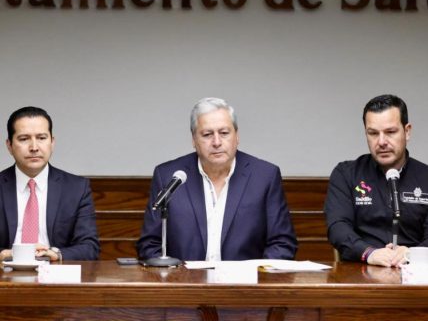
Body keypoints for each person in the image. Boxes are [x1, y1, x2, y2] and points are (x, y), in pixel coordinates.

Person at [137, 97, 297, 261]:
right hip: (184, 276)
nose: (216, 142)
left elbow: (282, 243)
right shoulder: (168, 176)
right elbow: (150, 244)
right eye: (207, 134)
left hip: (245, 277)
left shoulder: (264, 176)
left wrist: (257, 274)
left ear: (237, 136)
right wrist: (174, 274)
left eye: (224, 133)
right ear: (194, 140)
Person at [325, 94, 428, 267]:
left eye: (390, 132)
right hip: (360, 270)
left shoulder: (425, 176)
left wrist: (412, 254)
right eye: (373, 133)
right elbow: (338, 227)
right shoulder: (346, 174)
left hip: (415, 271)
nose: (381, 142)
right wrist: (369, 253)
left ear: (407, 131)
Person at [0, 106, 100, 261]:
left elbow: (89, 247)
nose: (34, 148)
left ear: (52, 142)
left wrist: (56, 254)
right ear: (9, 145)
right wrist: (4, 255)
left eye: (41, 138)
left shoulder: (76, 188)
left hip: (55, 271)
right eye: (24, 139)